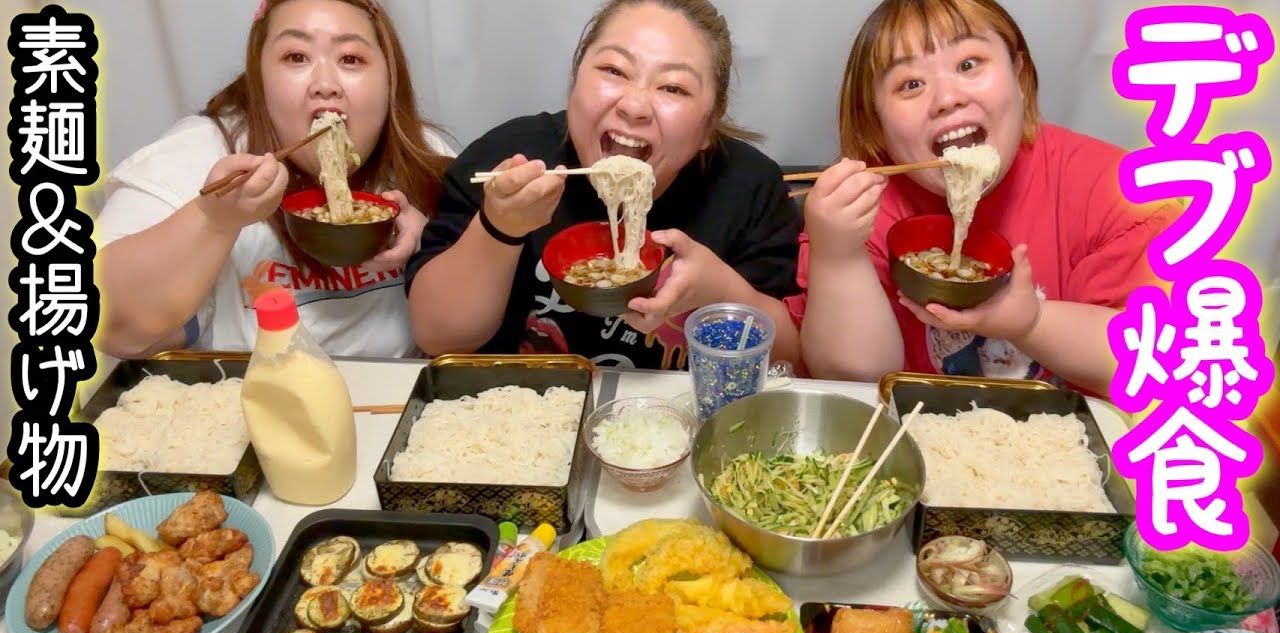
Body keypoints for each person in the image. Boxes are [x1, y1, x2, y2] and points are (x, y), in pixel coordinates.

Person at [788, 0, 1182, 397]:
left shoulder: (1118, 192)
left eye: (968, 65)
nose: (947, 98)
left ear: (1019, 78)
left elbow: (1164, 360)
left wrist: (1032, 323)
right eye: (910, 84)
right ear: (876, 122)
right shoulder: (861, 207)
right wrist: (837, 254)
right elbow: (853, 379)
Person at [404, 0, 802, 370]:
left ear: (708, 127)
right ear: (575, 80)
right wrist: (498, 227)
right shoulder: (509, 156)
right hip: (518, 413)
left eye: (673, 88)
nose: (634, 105)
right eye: (614, 71)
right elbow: (439, 337)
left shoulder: (749, 187)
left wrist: (722, 293)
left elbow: (790, 362)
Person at [96, 0, 453, 359]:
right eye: (296, 57)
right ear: (259, 76)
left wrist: (431, 241)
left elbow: (474, 327)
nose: (325, 84)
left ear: (389, 78)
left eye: (350, 59)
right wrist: (213, 219)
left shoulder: (423, 157)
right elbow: (103, 322)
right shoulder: (197, 155)